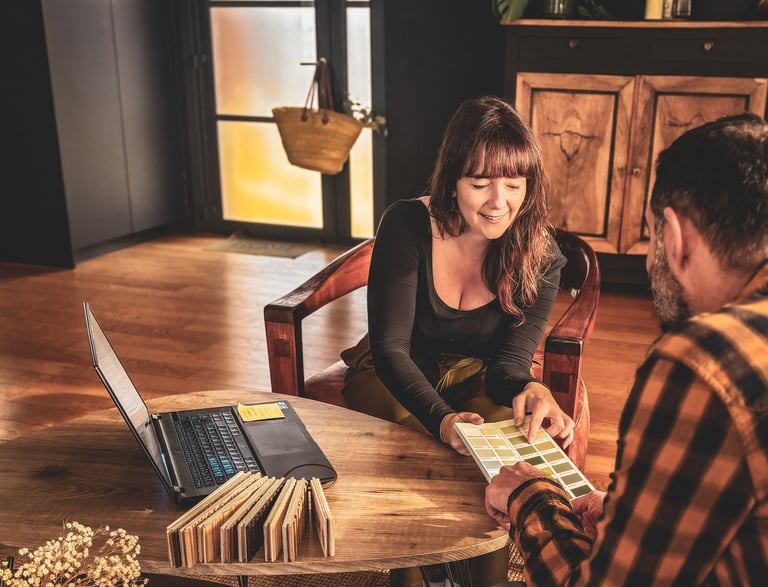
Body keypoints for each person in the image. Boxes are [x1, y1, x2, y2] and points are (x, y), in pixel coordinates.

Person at [485, 112, 768, 585]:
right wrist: (623, 510)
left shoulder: (702, 363)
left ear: (675, 239)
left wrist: (530, 493)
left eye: (652, 236)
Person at [341, 95, 575, 455]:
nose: (499, 202)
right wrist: (442, 420)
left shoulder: (541, 257)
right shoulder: (406, 225)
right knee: (412, 442)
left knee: (517, 448)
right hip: (393, 370)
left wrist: (530, 387)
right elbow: (390, 349)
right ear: (452, 183)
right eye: (481, 185)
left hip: (477, 376)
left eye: (513, 184)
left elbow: (508, 364)